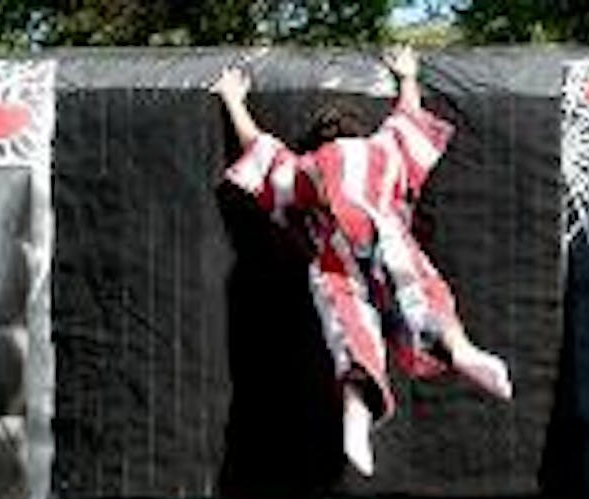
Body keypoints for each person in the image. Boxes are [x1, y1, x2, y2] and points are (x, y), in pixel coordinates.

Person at [212, 47, 512, 476]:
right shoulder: (382, 151)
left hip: (337, 251)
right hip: (387, 234)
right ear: (357, 130)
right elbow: (408, 118)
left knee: (350, 326)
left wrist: (233, 101)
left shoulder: (310, 165)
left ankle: (356, 410)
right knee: (424, 296)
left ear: (320, 139)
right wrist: (408, 75)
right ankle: (462, 351)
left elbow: (262, 152)